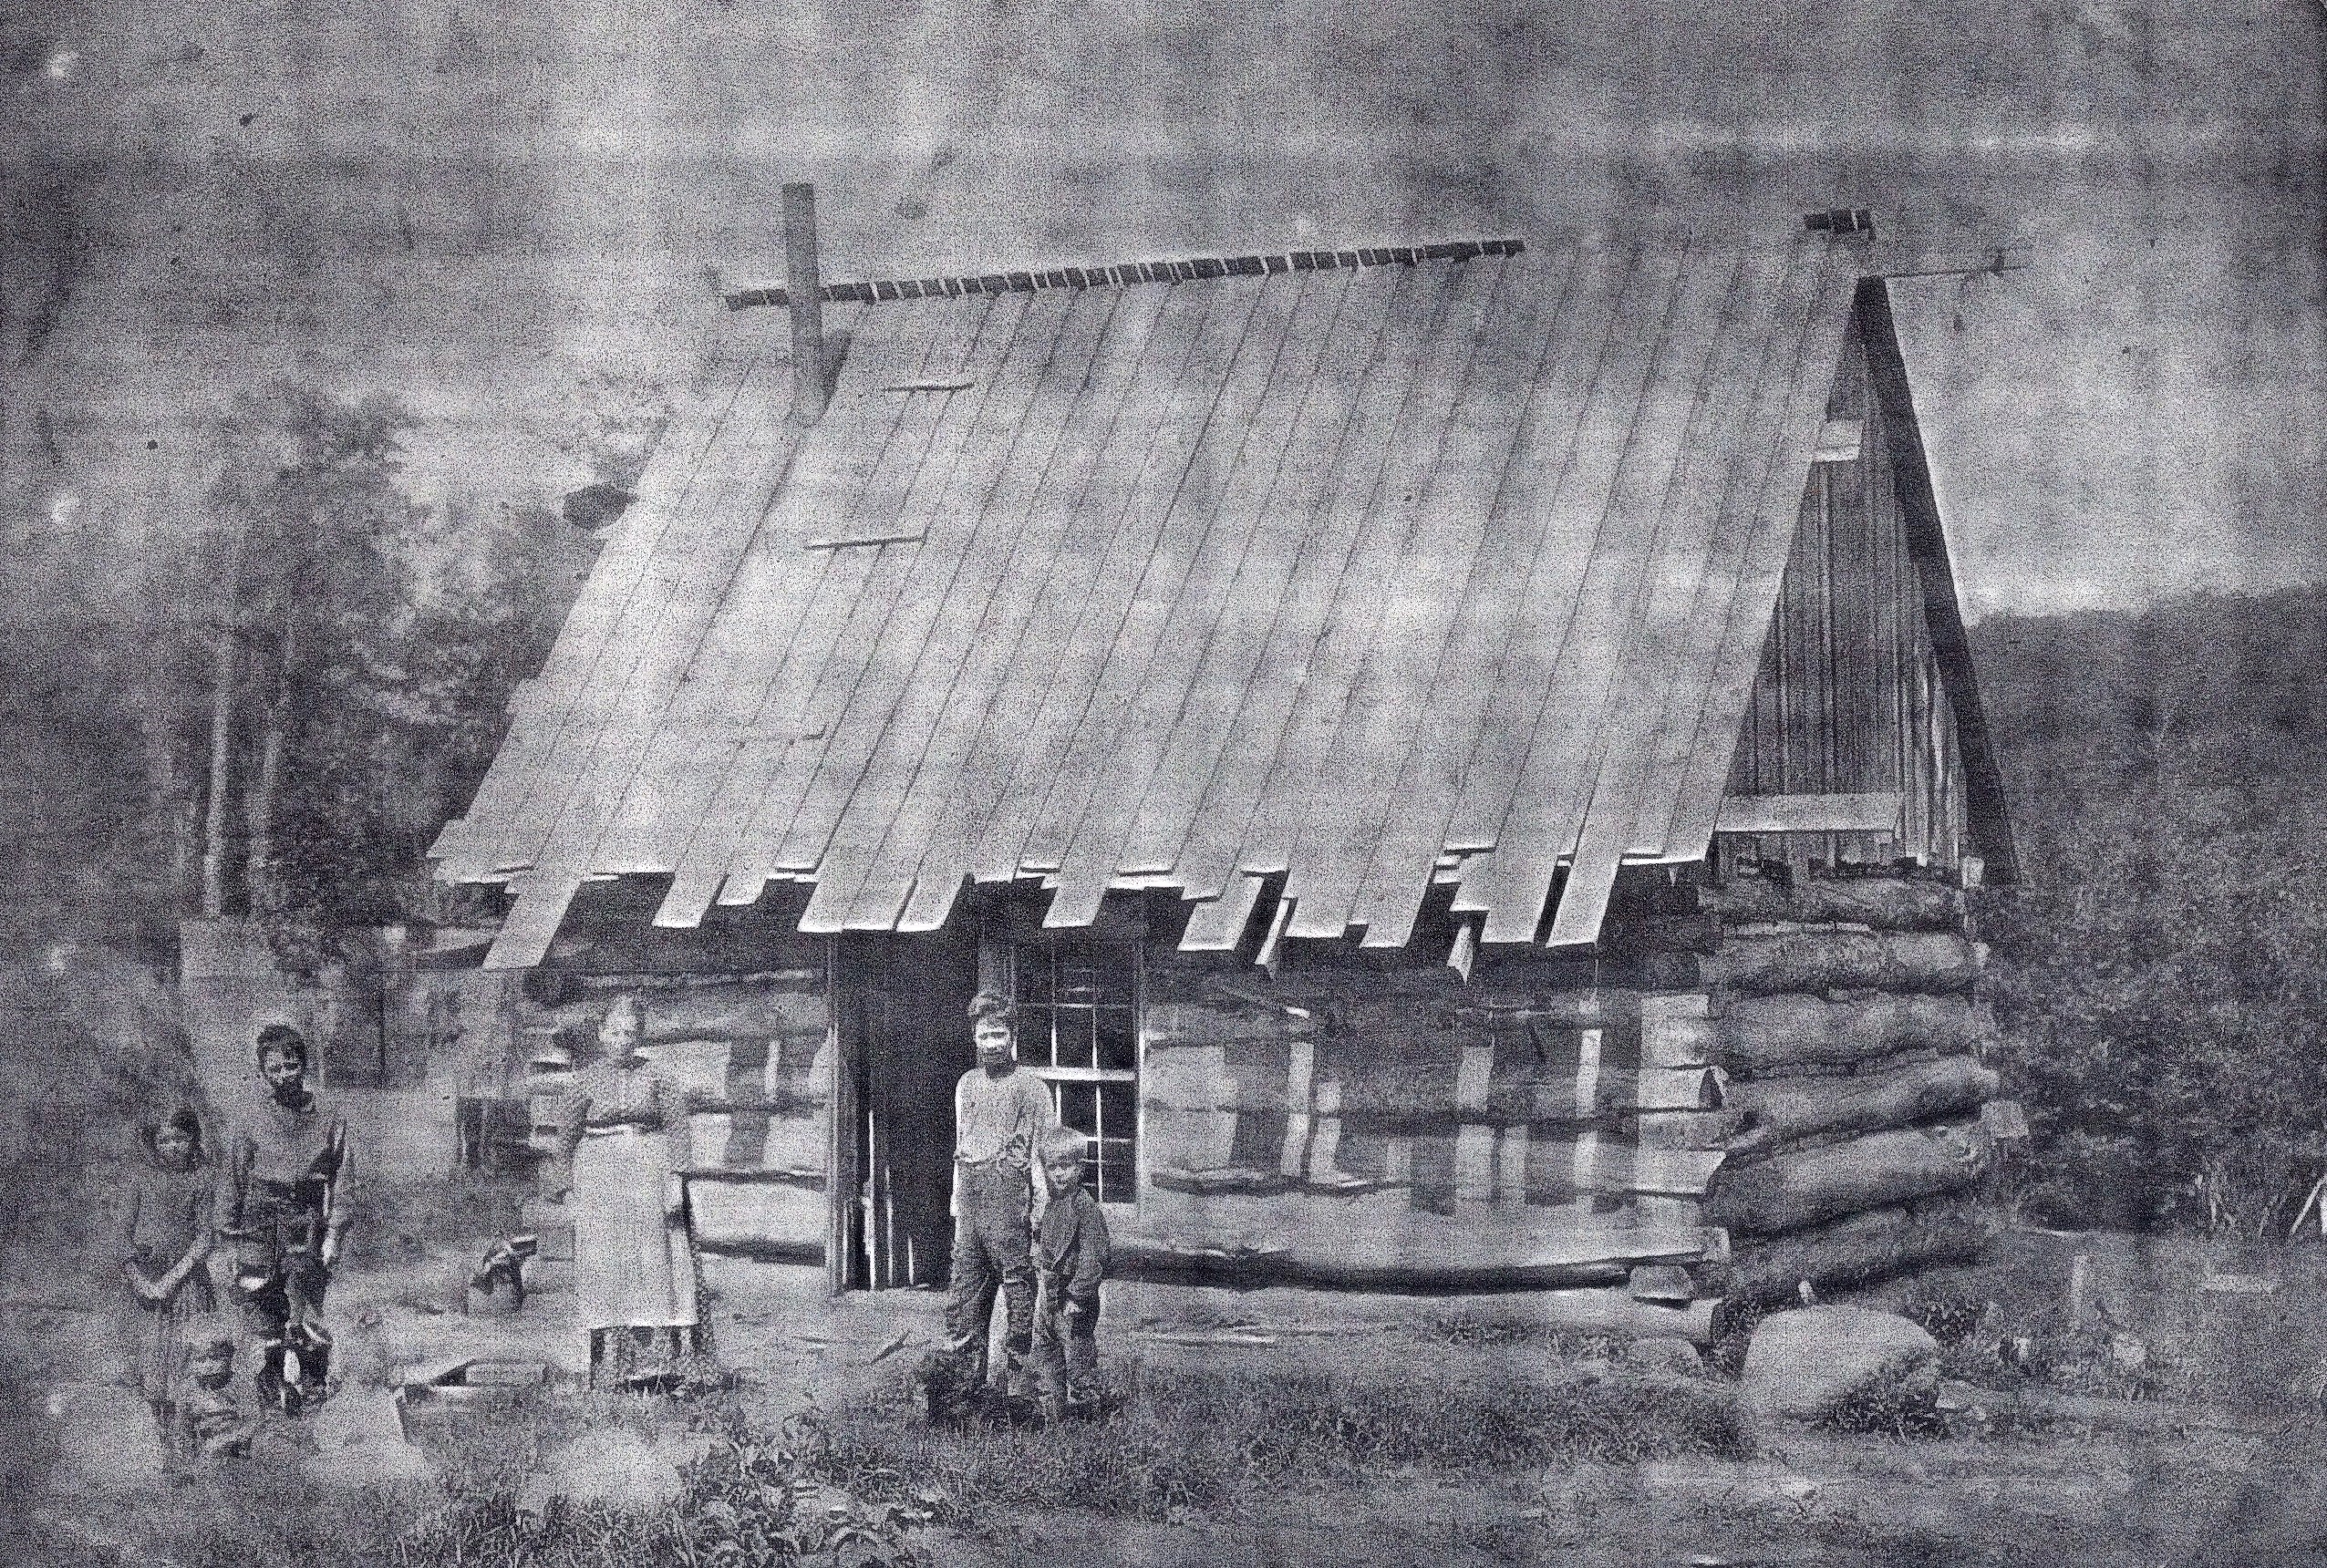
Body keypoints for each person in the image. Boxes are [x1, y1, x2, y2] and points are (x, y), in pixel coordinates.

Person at [555, 994, 702, 1387]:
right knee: (605, 1254)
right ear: (602, 1035)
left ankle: (660, 1359)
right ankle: (605, 1361)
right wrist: (567, 1188)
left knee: (654, 1252)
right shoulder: (585, 1079)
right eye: (615, 1031)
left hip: (648, 1170)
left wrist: (676, 1179)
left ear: (640, 1036)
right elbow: (566, 1137)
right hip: (600, 1172)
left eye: (631, 1032)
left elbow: (678, 1128)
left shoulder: (657, 1075)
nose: (623, 1039)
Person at [224, 1023, 350, 1414]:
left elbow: (344, 1182)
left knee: (308, 1307)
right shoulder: (248, 1119)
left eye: (291, 1066)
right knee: (266, 1308)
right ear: (262, 1071)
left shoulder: (330, 1117)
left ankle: (313, 1385)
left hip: (306, 1221)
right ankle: (273, 1382)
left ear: (305, 1066)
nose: (283, 1077)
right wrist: (230, 1240)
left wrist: (333, 1235)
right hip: (260, 1222)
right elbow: (232, 1181)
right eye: (274, 1069)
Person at [943, 993, 1056, 1399]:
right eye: (984, 1035)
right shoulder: (967, 1085)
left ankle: (1017, 1393)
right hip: (972, 1205)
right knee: (965, 1294)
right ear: (974, 1037)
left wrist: (1042, 1207)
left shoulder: (1032, 1088)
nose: (992, 1043)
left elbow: (1046, 1154)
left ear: (1013, 1037)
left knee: (1019, 1292)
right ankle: (963, 1390)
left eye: (999, 1034)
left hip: (1011, 1205)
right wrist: (957, 1206)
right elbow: (961, 1143)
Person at [120, 1103, 216, 1449]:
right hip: (147, 1293)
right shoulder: (141, 1180)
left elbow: (206, 1237)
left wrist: (171, 1280)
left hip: (187, 1287)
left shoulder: (202, 1179)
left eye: (180, 1138)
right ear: (153, 1143)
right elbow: (122, 1237)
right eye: (163, 1139)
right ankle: (166, 1449)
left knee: (188, 1369)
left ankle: (188, 1444)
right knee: (155, 1372)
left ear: (193, 1139)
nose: (172, 1146)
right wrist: (141, 1281)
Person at [1029, 1123, 1110, 1422]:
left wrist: (1077, 1295)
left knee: (1079, 1363)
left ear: (1081, 1167)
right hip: (1049, 1294)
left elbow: (1094, 1255)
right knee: (1047, 1360)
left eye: (1067, 1166)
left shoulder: (1084, 1207)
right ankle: (1054, 1422)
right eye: (1053, 1167)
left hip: (1074, 1298)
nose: (1060, 1173)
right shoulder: (1053, 1204)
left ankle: (1090, 1423)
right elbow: (1046, 1246)